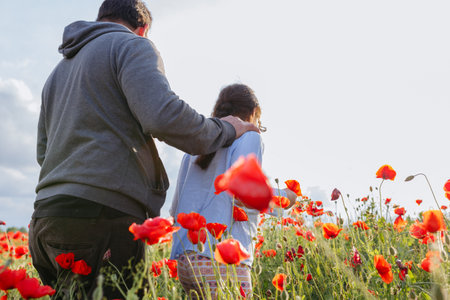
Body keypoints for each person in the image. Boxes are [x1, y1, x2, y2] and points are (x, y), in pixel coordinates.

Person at [28, 0, 258, 298]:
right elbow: (164, 117)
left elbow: (43, 153)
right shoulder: (132, 46)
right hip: (101, 218)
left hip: (47, 221)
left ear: (101, 19)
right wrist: (228, 128)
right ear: (143, 29)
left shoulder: (57, 73)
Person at [169, 83, 296, 299]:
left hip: (186, 260)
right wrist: (286, 197)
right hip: (220, 260)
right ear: (254, 114)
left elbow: (175, 210)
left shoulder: (195, 147)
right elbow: (244, 193)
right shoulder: (249, 137)